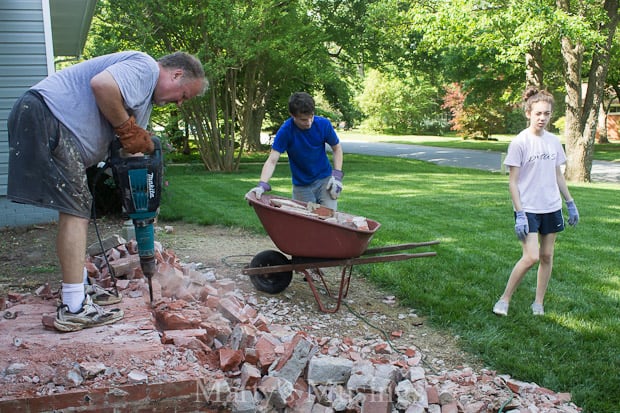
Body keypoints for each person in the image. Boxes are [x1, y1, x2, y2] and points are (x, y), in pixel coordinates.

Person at [7, 51, 207, 331]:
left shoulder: (142, 101)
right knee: (76, 209)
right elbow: (102, 86)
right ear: (176, 74)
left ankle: (78, 290)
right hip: (48, 115)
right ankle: (74, 307)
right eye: (184, 94)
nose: (180, 102)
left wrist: (148, 198)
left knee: (76, 207)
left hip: (50, 120)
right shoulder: (146, 67)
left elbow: (128, 153)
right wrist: (126, 128)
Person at [492, 87, 579, 317]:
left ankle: (538, 303)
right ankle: (504, 299)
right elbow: (513, 182)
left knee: (547, 256)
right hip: (528, 208)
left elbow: (558, 174)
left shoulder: (553, 141)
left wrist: (569, 202)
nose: (542, 118)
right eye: (538, 113)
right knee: (531, 256)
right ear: (528, 113)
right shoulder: (520, 142)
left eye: (547, 114)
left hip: (551, 206)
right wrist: (520, 214)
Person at [247, 92, 344, 210]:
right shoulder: (286, 131)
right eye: (303, 120)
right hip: (301, 186)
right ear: (292, 115)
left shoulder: (323, 124)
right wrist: (262, 185)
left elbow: (337, 148)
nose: (308, 122)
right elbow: (272, 160)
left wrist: (337, 176)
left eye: (311, 116)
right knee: (305, 222)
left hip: (325, 180)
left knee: (330, 218)